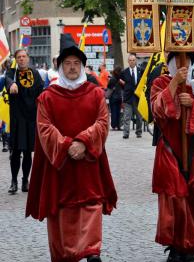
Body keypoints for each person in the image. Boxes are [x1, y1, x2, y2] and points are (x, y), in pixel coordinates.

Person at [26, 33, 117, 262]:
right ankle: (68, 254)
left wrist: (84, 142)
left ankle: (92, 252)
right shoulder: (47, 97)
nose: (73, 67)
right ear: (60, 66)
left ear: (83, 66)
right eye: (68, 63)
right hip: (61, 169)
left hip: (88, 166)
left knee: (90, 207)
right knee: (63, 214)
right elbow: (44, 128)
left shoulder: (95, 93)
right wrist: (67, 145)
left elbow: (103, 122)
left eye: (77, 63)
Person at [150, 51, 194, 262]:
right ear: (170, 63)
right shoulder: (159, 83)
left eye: (186, 61)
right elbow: (158, 109)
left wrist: (193, 105)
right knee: (174, 196)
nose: (183, 65)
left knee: (192, 199)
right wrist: (174, 85)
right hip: (170, 149)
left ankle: (190, 246)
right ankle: (175, 245)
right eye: (178, 61)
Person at [5, 49, 43, 194]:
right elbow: (7, 80)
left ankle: (25, 180)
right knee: (15, 151)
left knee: (28, 152)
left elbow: (41, 91)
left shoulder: (35, 73)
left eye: (24, 56)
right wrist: (11, 85)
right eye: (19, 57)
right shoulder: (12, 73)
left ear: (28, 58)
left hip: (31, 118)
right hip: (17, 118)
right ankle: (14, 181)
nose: (21, 59)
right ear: (16, 59)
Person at [120, 54, 143, 139]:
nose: (132, 62)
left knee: (139, 117)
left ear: (136, 61)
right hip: (128, 97)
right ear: (128, 61)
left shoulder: (141, 70)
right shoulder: (124, 72)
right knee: (127, 116)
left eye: (133, 60)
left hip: (138, 97)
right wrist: (126, 89)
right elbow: (121, 82)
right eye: (130, 60)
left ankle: (139, 132)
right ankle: (126, 133)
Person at [107, 66, 123, 131]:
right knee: (118, 112)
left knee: (113, 111)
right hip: (119, 97)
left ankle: (114, 126)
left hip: (113, 97)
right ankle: (118, 126)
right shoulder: (120, 79)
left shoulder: (112, 79)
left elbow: (108, 86)